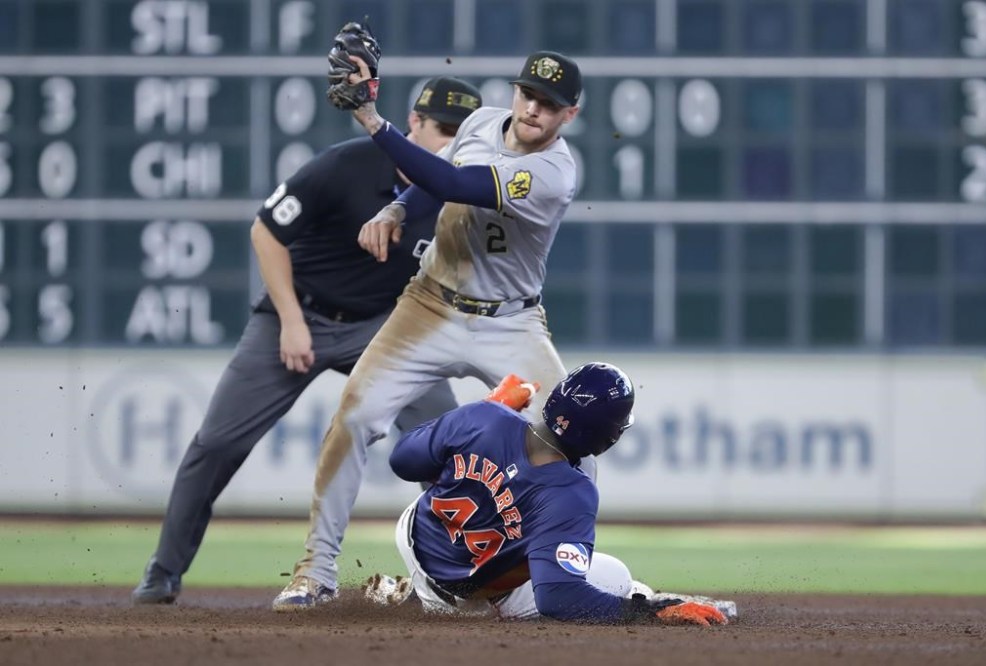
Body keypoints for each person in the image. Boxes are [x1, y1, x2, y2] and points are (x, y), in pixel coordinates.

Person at [130, 75, 484, 605]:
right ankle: (163, 572)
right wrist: (293, 320)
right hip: (296, 316)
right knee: (219, 443)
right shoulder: (345, 164)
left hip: (383, 327)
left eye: (461, 134)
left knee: (447, 447)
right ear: (413, 122)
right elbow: (266, 232)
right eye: (441, 128)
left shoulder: (458, 194)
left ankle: (469, 572)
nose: (448, 142)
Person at [271, 35, 593, 611]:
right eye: (527, 93)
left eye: (548, 102)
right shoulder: (482, 123)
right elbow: (433, 181)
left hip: (511, 322)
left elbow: (459, 186)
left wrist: (371, 117)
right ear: (515, 92)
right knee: (355, 416)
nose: (532, 109)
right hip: (430, 304)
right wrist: (397, 208)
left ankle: (561, 572)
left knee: (575, 442)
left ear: (570, 113)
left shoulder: (554, 171)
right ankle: (314, 570)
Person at [364, 363, 732, 625]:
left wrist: (491, 405)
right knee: (616, 575)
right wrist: (647, 614)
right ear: (609, 436)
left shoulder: (485, 416)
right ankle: (655, 599)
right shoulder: (570, 493)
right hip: (463, 597)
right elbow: (559, 599)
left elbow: (403, 462)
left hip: (414, 536)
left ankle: (411, 589)